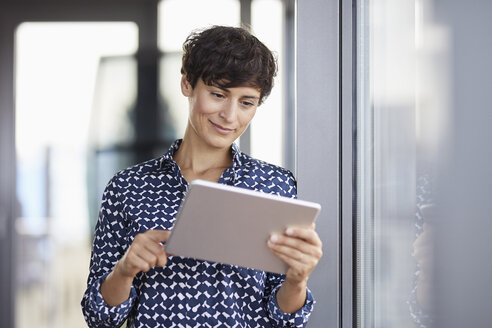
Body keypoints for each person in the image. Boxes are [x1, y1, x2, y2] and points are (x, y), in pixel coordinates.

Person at [81, 25, 323, 328]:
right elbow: (99, 317)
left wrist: (297, 280)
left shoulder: (274, 185)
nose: (230, 115)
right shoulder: (128, 188)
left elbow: (284, 320)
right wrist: (125, 269)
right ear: (187, 84)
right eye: (218, 94)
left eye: (246, 102)